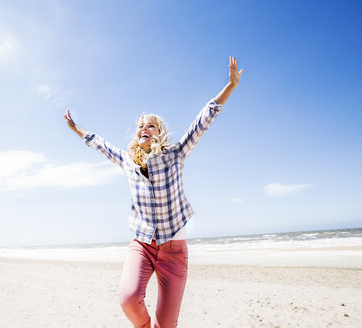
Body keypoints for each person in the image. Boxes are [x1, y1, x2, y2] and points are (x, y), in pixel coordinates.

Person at [64, 57, 242, 328]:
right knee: (128, 298)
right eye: (140, 126)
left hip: (174, 249)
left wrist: (229, 87)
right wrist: (78, 130)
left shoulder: (176, 154)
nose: (144, 129)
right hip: (143, 244)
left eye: (151, 126)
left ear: (159, 133)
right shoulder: (127, 160)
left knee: (167, 325)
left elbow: (202, 120)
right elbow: (100, 145)